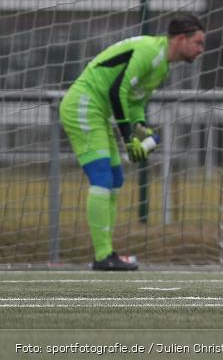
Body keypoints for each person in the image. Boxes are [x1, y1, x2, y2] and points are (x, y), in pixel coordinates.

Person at [59, 14, 206, 271]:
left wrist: (143, 131)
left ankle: (107, 253)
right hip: (83, 104)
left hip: (99, 112)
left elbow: (135, 102)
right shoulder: (150, 52)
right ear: (181, 39)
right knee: (102, 176)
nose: (201, 50)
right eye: (198, 43)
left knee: (115, 179)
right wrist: (128, 139)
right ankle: (103, 256)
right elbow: (117, 90)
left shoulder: (162, 66)